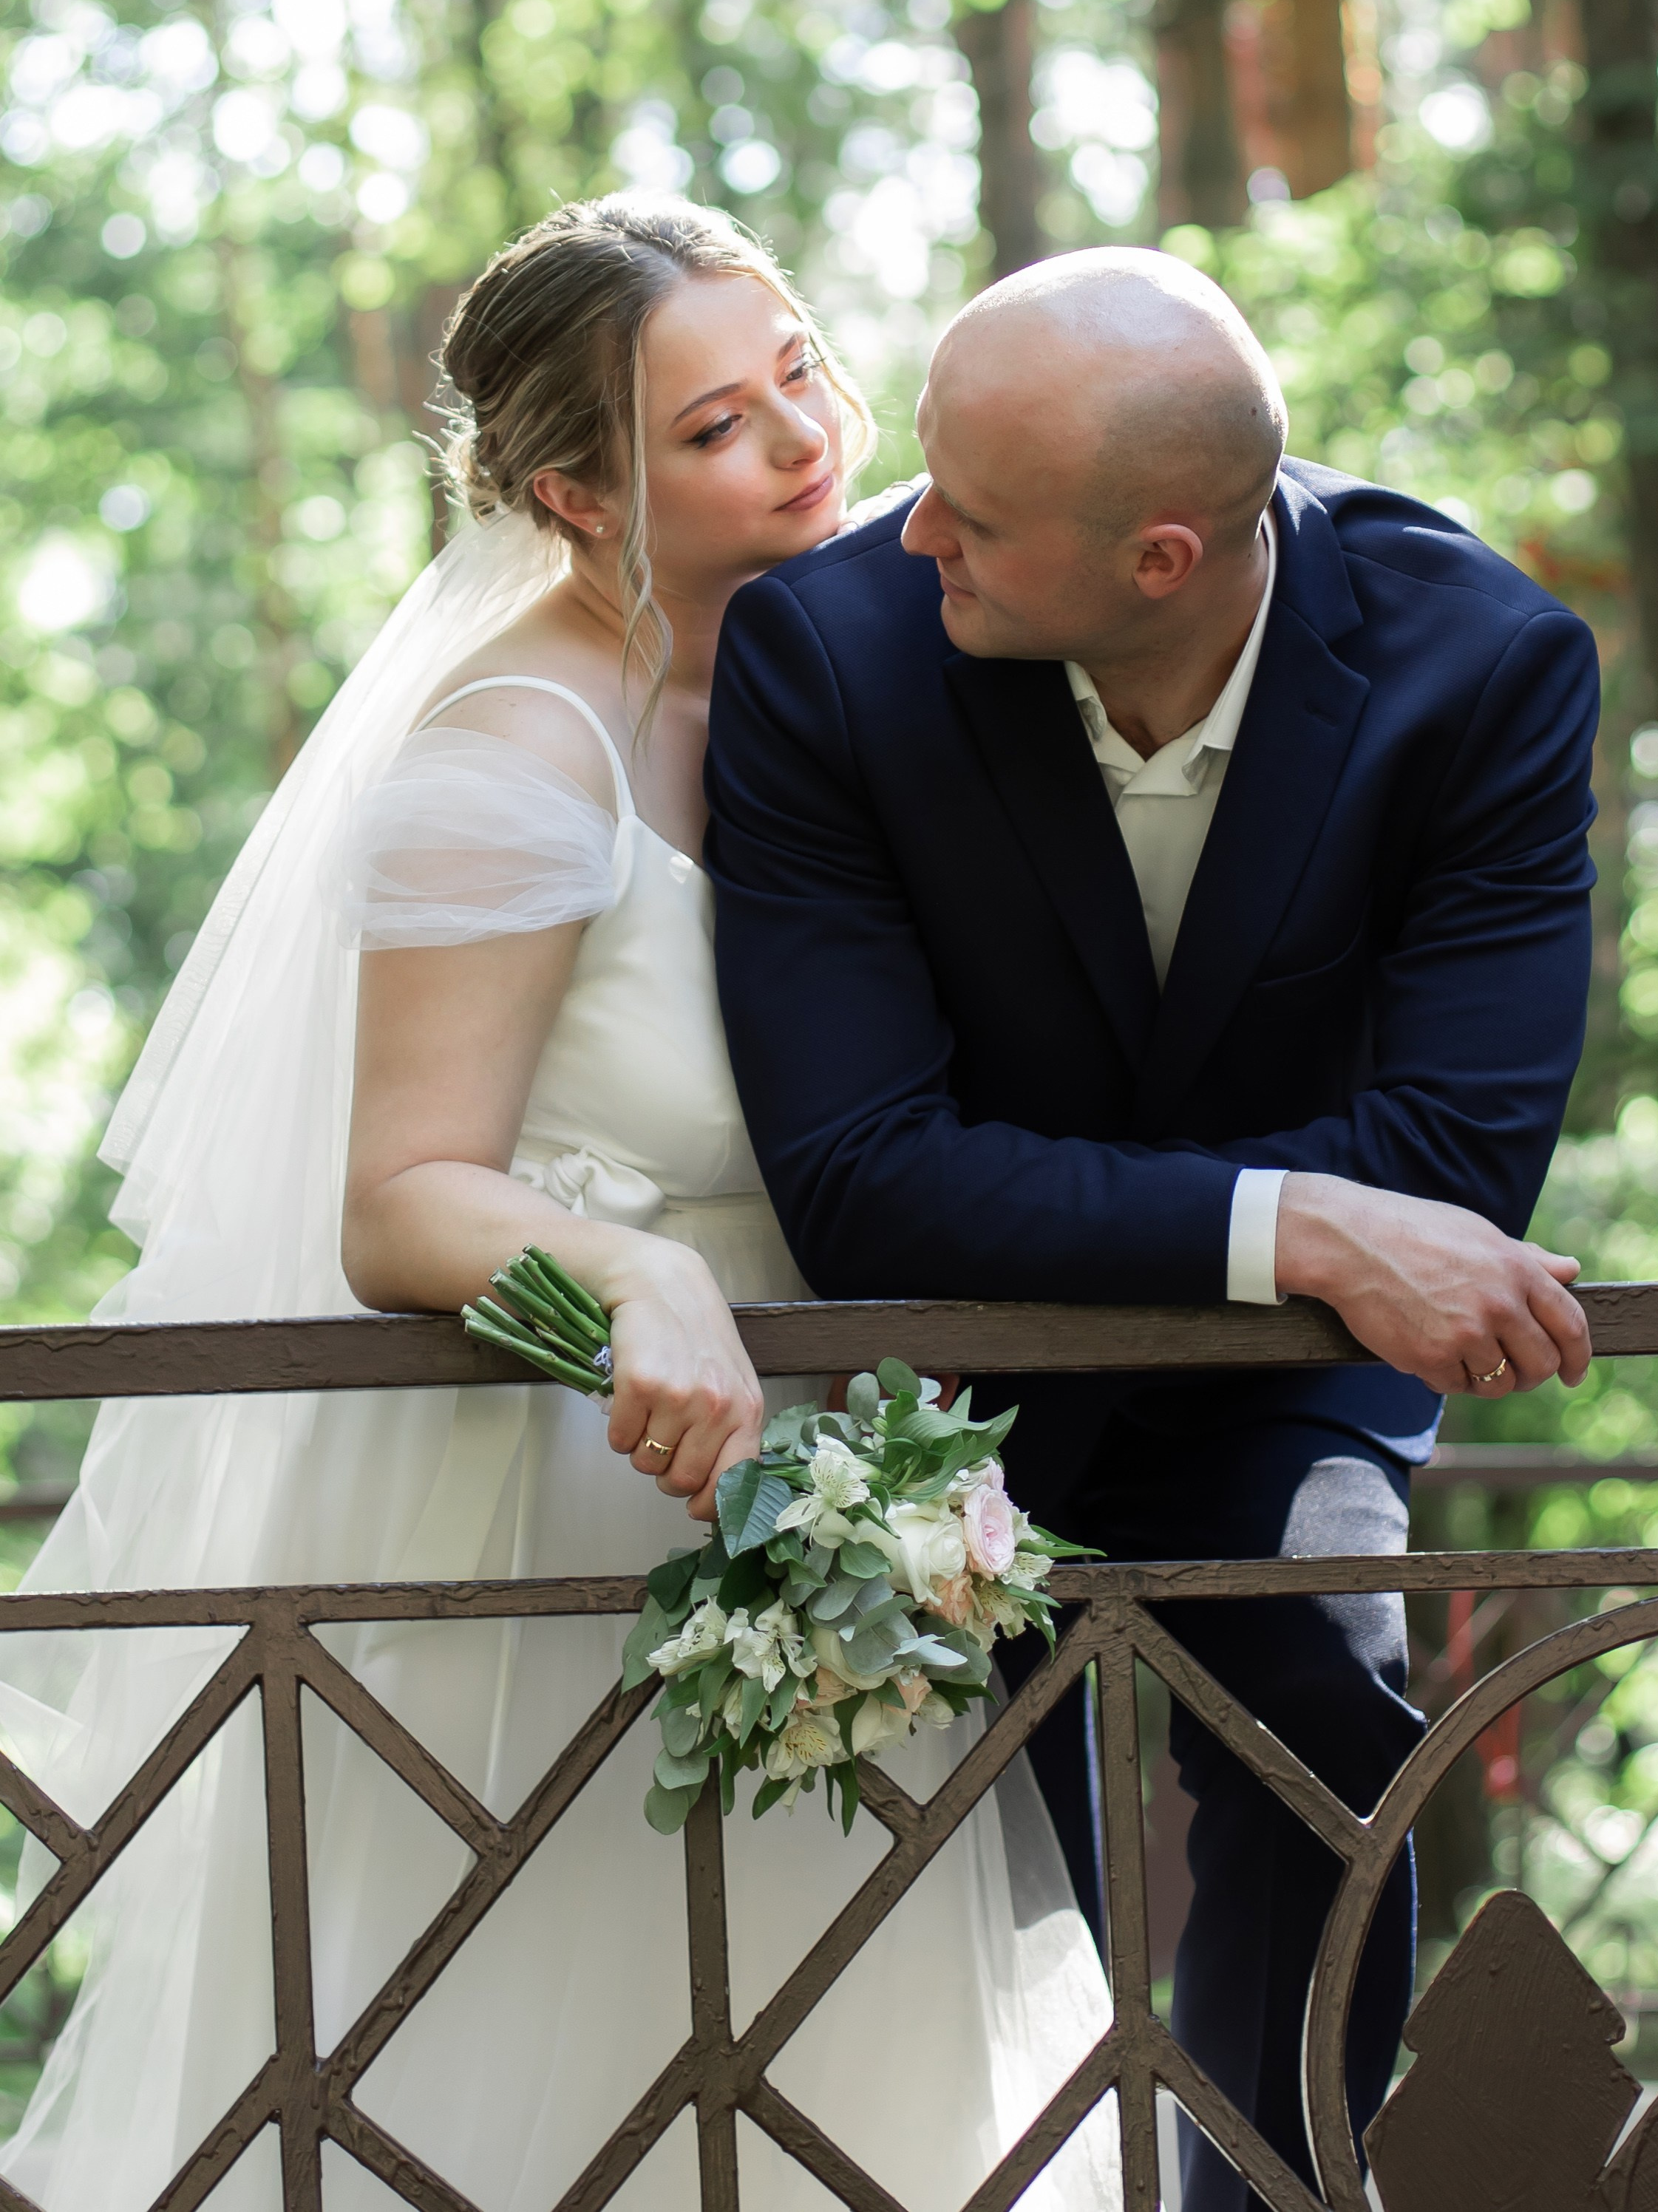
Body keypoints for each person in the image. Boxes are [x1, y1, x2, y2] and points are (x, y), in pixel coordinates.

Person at [0, 201, 1114, 2212]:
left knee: (848, 2090)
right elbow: (400, 1196)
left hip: (831, 1479)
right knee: (548, 2081)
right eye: (713, 426)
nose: (801, 436)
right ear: (573, 492)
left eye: (799, 369)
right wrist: (630, 1268)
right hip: (576, 1490)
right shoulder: (514, 745)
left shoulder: (845, 663)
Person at [705, 247, 1600, 2202]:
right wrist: (1297, 1216)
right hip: (953, 1365)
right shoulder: (829, 652)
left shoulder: (1482, 664)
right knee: (938, 1842)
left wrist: (1321, 1251)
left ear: (1161, 561)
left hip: (1284, 1381)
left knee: (1320, 1708)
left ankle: (1269, 2184)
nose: (901, 517)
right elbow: (858, 1166)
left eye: (973, 508)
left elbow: (1446, 1160)